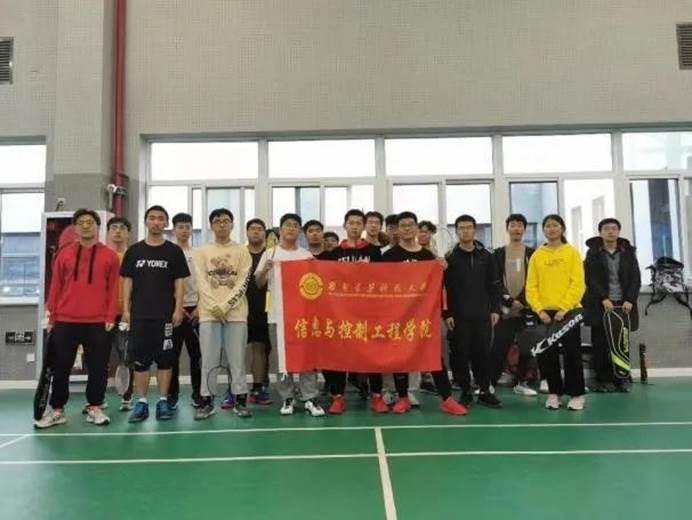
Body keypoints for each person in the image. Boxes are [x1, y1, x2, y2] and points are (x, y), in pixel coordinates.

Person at [36, 209, 120, 429]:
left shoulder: (109, 256)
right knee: (61, 367)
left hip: (98, 321)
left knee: (98, 368)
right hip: (66, 320)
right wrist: (52, 315)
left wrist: (110, 315)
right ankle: (57, 410)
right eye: (81, 222)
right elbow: (56, 286)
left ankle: (94, 407)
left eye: (89, 222)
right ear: (75, 227)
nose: (85, 226)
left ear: (97, 226)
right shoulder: (64, 254)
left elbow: (113, 289)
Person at [382, 212, 468, 415]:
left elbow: (440, 287)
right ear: (398, 229)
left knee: (433, 356)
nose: (407, 228)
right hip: (399, 316)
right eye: (403, 225)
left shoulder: (428, 257)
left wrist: (442, 268)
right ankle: (403, 397)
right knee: (400, 356)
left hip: (424, 316)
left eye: (410, 225)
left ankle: (447, 399)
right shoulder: (389, 257)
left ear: (416, 228)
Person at [121, 205, 189, 422]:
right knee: (140, 362)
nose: (156, 222)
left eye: (161, 218)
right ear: (146, 222)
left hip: (165, 316)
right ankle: (141, 402)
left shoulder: (174, 251)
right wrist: (126, 309)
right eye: (152, 218)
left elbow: (180, 282)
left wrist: (178, 309)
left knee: (165, 361)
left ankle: (163, 401)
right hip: (140, 316)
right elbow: (127, 282)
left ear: (166, 223)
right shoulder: (134, 251)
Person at [255, 213, 325, 417]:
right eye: (287, 225)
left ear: (299, 231)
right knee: (281, 358)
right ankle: (287, 397)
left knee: (307, 357)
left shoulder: (306, 256)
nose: (291, 228)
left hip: (304, 316)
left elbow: (317, 285)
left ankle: (309, 397)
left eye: (295, 225)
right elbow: (258, 283)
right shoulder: (270, 253)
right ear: (281, 229)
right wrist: (264, 270)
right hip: (277, 315)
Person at [323, 209, 385, 415]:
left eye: (359, 223)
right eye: (352, 223)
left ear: (363, 226)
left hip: (369, 312)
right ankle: (338, 397)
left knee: (373, 354)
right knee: (339, 355)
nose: (355, 226)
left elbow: (384, 279)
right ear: (345, 226)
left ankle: (377, 396)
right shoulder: (334, 253)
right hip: (341, 314)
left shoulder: (374, 252)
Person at [193, 209, 253, 420]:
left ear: (232, 224)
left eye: (226, 221)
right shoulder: (202, 251)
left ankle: (240, 401)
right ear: (211, 225)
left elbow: (243, 282)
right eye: (217, 221)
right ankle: (206, 402)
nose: (222, 224)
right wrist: (214, 307)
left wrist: (225, 306)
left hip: (236, 314)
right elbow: (201, 282)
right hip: (209, 314)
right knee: (208, 361)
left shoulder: (242, 251)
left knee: (237, 360)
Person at [526, 214, 586, 411]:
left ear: (562, 228)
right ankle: (554, 393)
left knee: (572, 354)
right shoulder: (537, 255)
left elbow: (578, 284)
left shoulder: (572, 253)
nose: (551, 229)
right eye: (548, 226)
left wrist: (564, 308)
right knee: (546, 355)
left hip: (569, 312)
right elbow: (531, 287)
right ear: (544, 230)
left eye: (555, 225)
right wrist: (539, 310)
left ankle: (576, 394)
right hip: (544, 314)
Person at [444, 214, 502, 408]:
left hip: (482, 314)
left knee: (483, 353)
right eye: (461, 228)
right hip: (458, 316)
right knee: (460, 354)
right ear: (456, 231)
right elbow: (445, 289)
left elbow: (495, 285)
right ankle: (465, 392)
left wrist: (495, 309)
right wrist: (447, 313)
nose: (465, 231)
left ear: (474, 230)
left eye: (469, 227)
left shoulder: (487, 256)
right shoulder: (450, 258)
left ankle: (485, 391)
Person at [584, 218, 641, 393]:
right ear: (600, 232)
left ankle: (621, 378)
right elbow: (590, 278)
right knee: (600, 343)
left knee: (621, 343)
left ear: (618, 231)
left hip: (623, 305)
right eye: (606, 229)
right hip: (601, 304)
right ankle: (602, 379)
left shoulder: (628, 252)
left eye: (614, 228)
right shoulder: (593, 253)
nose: (610, 231)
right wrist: (603, 298)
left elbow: (635, 278)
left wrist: (630, 299)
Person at [491, 214, 538, 397]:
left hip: (526, 309)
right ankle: (490, 383)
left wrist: (521, 301)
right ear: (507, 229)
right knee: (498, 347)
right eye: (513, 225)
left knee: (526, 348)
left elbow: (534, 281)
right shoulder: (498, 253)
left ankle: (522, 382)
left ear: (524, 229)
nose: (516, 228)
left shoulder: (533, 254)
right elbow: (495, 281)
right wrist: (510, 301)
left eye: (519, 225)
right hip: (505, 310)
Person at [169, 213, 202, 409]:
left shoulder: (199, 254)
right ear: (174, 229)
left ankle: (198, 394)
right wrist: (177, 306)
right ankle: (172, 396)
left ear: (191, 229)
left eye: (187, 227)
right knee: (171, 355)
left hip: (197, 310)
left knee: (197, 355)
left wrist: (200, 306)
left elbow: (206, 282)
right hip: (174, 310)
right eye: (180, 227)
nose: (184, 230)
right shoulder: (168, 252)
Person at [105, 216, 136, 411]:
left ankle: (127, 396)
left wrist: (130, 310)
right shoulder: (102, 256)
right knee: (98, 357)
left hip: (126, 315)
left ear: (128, 233)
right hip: (103, 316)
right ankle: (96, 399)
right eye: (114, 228)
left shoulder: (133, 256)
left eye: (122, 228)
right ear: (108, 232)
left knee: (126, 355)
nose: (118, 231)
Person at [245, 218, 272, 405]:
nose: (256, 232)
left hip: (265, 308)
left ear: (265, 233)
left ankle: (258, 387)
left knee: (260, 348)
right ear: (246, 232)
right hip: (239, 308)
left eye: (260, 229)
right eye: (252, 229)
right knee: (236, 350)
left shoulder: (270, 255)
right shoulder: (240, 253)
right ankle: (234, 389)